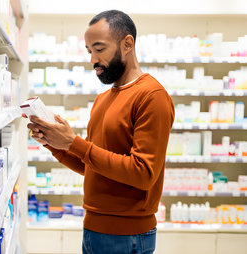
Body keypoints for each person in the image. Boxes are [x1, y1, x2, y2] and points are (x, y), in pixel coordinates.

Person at [25, 10, 175, 254]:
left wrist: (74, 143)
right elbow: (94, 167)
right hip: (94, 229)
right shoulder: (102, 99)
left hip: (127, 235)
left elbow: (144, 173)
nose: (93, 59)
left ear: (128, 43)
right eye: (88, 51)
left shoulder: (152, 96)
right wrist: (54, 143)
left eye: (99, 49)